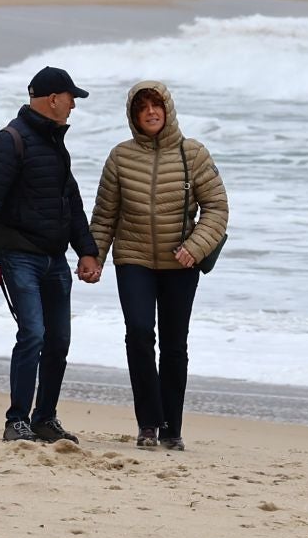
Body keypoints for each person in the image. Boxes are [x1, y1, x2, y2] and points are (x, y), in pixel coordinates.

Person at [90, 81, 229, 451]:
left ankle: (172, 428)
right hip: (133, 258)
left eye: (157, 106)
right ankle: (148, 423)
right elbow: (105, 215)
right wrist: (94, 257)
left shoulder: (193, 153)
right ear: (134, 115)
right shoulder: (120, 157)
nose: (151, 112)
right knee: (138, 334)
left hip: (179, 263)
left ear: (168, 110)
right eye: (143, 107)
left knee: (174, 344)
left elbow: (216, 209)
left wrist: (195, 247)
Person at [0, 66, 102, 444]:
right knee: (33, 334)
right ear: (53, 99)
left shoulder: (56, 143)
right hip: (18, 258)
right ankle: (17, 420)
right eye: (71, 98)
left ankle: (45, 418)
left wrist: (88, 252)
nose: (74, 105)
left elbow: (72, 204)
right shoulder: (9, 140)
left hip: (54, 259)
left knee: (59, 341)